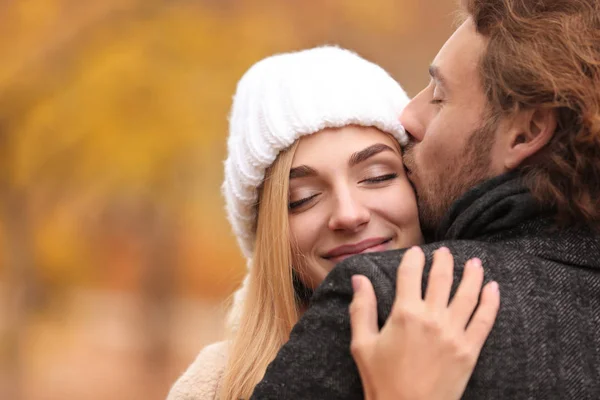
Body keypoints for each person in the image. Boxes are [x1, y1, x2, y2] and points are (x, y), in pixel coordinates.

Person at [250, 1, 600, 399]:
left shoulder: (382, 302)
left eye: (439, 96)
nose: (408, 117)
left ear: (526, 132)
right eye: (304, 198)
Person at [167, 46, 500, 400]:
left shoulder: (501, 328)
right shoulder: (214, 386)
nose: (349, 214)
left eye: (377, 176)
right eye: (303, 198)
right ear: (271, 240)